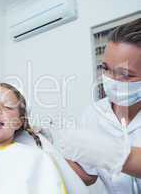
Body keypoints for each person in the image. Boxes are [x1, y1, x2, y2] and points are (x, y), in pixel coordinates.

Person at [58, 18, 141, 193]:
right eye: (105, 68)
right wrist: (49, 150)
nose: (110, 79)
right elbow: (88, 177)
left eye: (125, 74)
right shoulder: (94, 114)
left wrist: (107, 152)